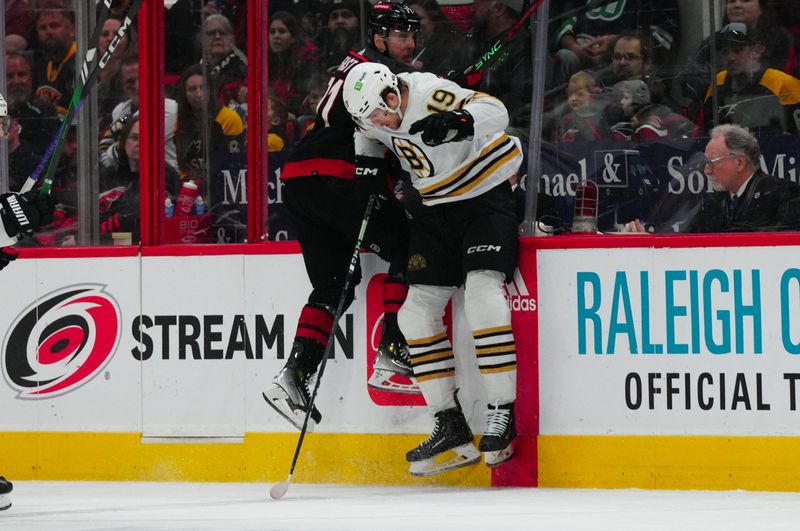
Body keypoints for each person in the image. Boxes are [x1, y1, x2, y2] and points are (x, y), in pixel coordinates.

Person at [342, 61, 522, 475]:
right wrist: (368, 170)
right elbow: (365, 132)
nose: (378, 123)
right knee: (415, 313)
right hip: (434, 208)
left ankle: (501, 413)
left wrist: (459, 120)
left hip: (483, 196)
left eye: (380, 113)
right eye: (369, 118)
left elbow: (497, 111)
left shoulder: (429, 94)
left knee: (482, 294)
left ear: (393, 94)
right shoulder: (372, 111)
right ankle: (449, 423)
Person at [262, 0, 424, 431]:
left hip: (299, 178)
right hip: (341, 174)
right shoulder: (384, 74)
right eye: (401, 34)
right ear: (378, 37)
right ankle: (394, 350)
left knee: (335, 284)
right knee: (411, 244)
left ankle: (294, 375)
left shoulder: (351, 64)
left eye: (412, 34)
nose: (409, 43)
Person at [624, 123, 795, 233]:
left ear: (740, 163)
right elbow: (687, 244)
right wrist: (645, 238)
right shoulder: (714, 203)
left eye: (712, 162)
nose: (706, 171)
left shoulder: (783, 195)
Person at [697, 23, 800, 138]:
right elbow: (705, 134)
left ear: (757, 51)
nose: (731, 58)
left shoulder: (782, 83)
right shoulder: (718, 82)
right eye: (725, 52)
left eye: (738, 50)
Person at [99, 117, 179, 243]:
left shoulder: (165, 176)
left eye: (145, 138)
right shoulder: (111, 175)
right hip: (109, 248)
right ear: (124, 142)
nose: (139, 143)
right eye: (134, 138)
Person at [5, 52, 61, 154]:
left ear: (30, 79)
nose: (16, 81)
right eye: (9, 76)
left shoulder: (44, 113)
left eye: (21, 75)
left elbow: (51, 160)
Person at [268, 11, 319, 117]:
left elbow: (302, 97)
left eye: (282, 31)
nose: (276, 36)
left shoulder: (307, 61)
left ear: (293, 38)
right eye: (272, 32)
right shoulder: (265, 62)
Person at [31, 8, 76, 116]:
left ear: (72, 30)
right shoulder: (37, 63)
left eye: (55, 26)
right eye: (43, 28)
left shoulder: (81, 60)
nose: (49, 32)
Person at [203, 13, 248, 110]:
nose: (217, 37)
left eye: (223, 33)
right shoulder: (197, 67)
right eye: (211, 33)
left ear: (232, 39)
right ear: (203, 39)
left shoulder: (240, 68)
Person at [556, 71, 610, 142]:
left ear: (592, 95)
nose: (573, 98)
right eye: (570, 94)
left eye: (579, 94)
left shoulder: (601, 120)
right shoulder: (565, 121)